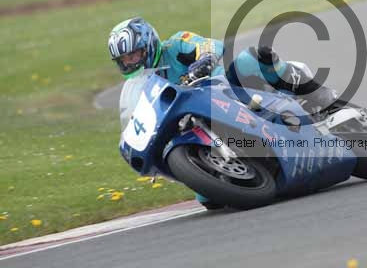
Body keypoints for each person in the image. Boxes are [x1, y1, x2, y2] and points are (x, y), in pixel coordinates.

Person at [107, 17, 336, 206]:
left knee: (250, 60)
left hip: (225, 91)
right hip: (195, 124)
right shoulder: (140, 87)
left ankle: (317, 94)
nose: (130, 63)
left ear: (148, 44)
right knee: (208, 199)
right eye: (123, 60)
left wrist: (204, 59)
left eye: (133, 55)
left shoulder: (175, 45)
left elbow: (209, 45)